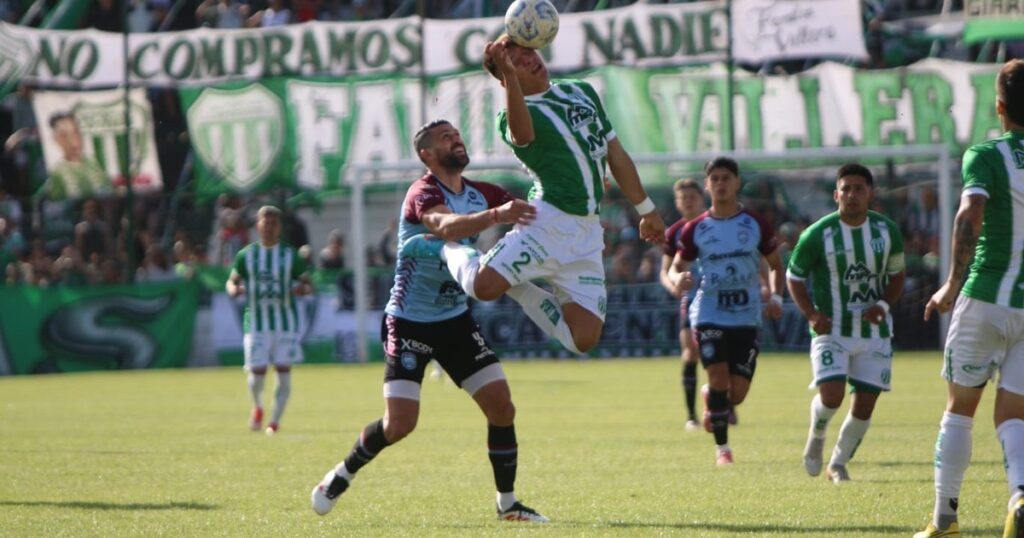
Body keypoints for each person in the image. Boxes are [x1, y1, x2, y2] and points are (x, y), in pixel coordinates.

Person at [310, 119, 548, 523]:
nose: (456, 139)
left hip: (455, 320)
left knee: (502, 407)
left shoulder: (482, 193)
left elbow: (535, 210)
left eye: (456, 134)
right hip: (409, 323)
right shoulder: (423, 193)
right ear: (427, 154)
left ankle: (507, 505)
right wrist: (495, 216)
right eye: (445, 138)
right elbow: (443, 226)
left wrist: (573, 194)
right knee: (400, 424)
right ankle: (339, 475)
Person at [403, 35, 665, 355]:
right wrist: (511, 76)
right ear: (504, 77)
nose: (529, 59)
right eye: (515, 61)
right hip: (548, 224)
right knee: (482, 287)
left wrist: (646, 209)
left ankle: (521, 288)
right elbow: (523, 135)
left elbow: (616, 153)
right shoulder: (511, 118)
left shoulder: (580, 91)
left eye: (529, 51)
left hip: (586, 232)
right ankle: (449, 249)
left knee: (583, 339)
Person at [915, 59, 1024, 538]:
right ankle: (1020, 497)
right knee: (1015, 412)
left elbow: (968, 217)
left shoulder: (986, 155)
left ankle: (945, 522)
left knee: (960, 408)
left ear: (999, 107)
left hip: (986, 297)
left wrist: (950, 285)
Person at [786, 164, 906, 484]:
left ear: (870, 194)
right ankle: (818, 433)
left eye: (859, 188)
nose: (852, 194)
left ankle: (838, 463)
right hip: (831, 328)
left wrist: (882, 304)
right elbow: (794, 277)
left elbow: (897, 275)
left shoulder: (886, 231)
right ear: (836, 194)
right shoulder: (817, 234)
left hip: (873, 331)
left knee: (865, 405)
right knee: (832, 395)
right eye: (846, 189)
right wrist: (812, 314)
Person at [668, 157, 785, 466]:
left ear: (737, 183)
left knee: (737, 394)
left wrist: (776, 297)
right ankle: (723, 450)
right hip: (708, 313)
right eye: (715, 179)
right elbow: (676, 266)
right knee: (719, 379)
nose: (720, 184)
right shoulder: (696, 229)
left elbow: (775, 265)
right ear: (708, 186)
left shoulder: (755, 224)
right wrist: (678, 278)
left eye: (726, 178)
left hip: (747, 316)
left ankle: (712, 399)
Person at [225, 205, 312, 436]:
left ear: (279, 227)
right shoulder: (246, 255)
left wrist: (298, 290)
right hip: (255, 322)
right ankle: (258, 407)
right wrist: (234, 289)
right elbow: (232, 281)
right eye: (266, 222)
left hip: (286, 324)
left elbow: (308, 284)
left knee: (283, 374)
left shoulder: (290, 255)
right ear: (258, 225)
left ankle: (274, 422)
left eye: (274, 223)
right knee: (256, 375)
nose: (269, 227)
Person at [659, 178, 706, 430]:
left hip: (720, 296)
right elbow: (664, 271)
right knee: (690, 351)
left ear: (701, 197)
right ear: (677, 203)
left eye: (692, 196)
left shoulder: (714, 224)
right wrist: (674, 285)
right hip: (692, 297)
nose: (688, 200)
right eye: (683, 197)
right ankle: (691, 415)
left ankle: (722, 401)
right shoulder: (674, 232)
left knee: (721, 353)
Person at [45, 112, 111, 201]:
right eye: (65, 135)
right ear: (57, 139)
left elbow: (109, 191)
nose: (72, 139)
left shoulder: (93, 163)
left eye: (75, 133)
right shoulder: (58, 171)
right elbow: (54, 205)